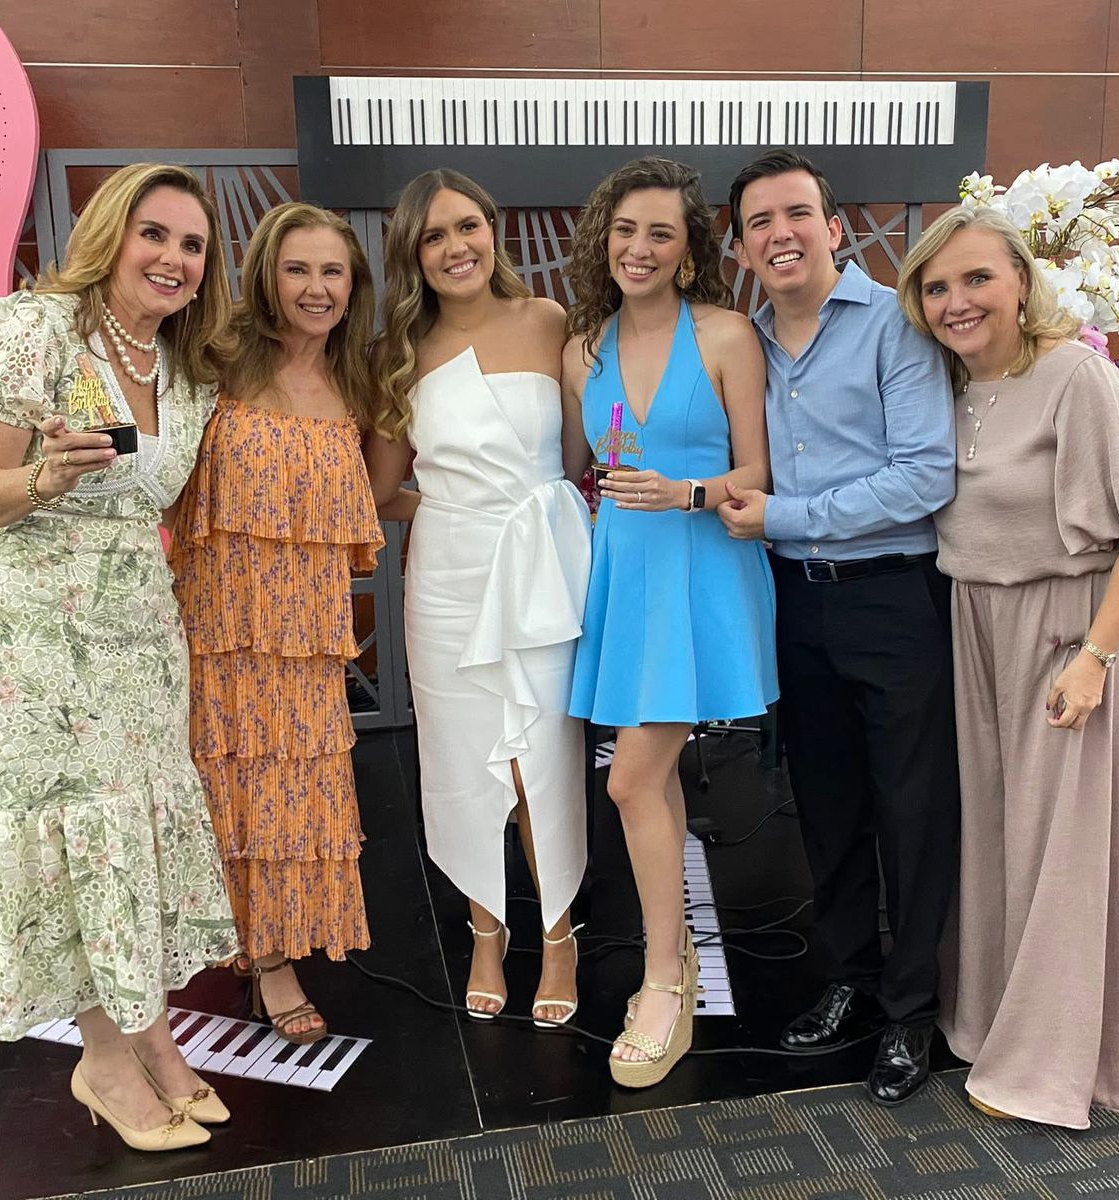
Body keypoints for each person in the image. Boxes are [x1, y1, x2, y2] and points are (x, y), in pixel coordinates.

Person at [0, 163, 239, 1151]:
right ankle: (103, 1059)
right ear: (111, 233)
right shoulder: (31, 332)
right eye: (155, 233)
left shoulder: (183, 368)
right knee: (84, 828)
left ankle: (153, 1039)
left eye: (192, 245)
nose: (173, 258)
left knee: (137, 824)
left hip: (140, 630)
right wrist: (44, 477)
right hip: (36, 629)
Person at [896, 203, 1119, 1128]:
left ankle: (1050, 1063)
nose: (957, 301)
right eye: (937, 287)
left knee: (1062, 844)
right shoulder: (950, 387)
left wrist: (1097, 658)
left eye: (977, 278)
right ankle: (991, 1022)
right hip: (978, 623)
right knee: (996, 833)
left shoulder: (1079, 378)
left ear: (1023, 282)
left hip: (1070, 627)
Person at [718, 149, 958, 1106]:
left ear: (834, 228)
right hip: (795, 602)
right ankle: (852, 980)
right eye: (759, 223)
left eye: (796, 214)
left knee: (912, 810)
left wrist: (785, 515)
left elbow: (924, 475)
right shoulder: (744, 342)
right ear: (742, 248)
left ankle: (912, 1010)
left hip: (891, 597)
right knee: (826, 804)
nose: (780, 234)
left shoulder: (895, 324)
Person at [566, 157, 777, 1088]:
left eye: (660, 232)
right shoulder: (583, 348)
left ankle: (664, 979)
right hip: (625, 579)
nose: (639, 247)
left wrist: (687, 490)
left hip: (702, 574)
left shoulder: (726, 334)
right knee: (646, 783)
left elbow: (761, 476)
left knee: (630, 781)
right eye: (625, 230)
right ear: (603, 240)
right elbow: (571, 468)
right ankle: (672, 963)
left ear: (689, 251)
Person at [367, 170, 592, 1028]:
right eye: (433, 236)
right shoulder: (399, 350)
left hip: (542, 574)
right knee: (463, 761)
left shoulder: (549, 321)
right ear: (412, 255)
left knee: (544, 759)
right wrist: (456, 509)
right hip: (451, 579)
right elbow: (381, 491)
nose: (455, 247)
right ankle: (486, 933)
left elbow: (576, 458)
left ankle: (561, 935)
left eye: (467, 226)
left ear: (492, 229)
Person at [170, 203, 385, 1045]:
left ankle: (277, 942)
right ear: (265, 275)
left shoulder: (359, 382)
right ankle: (266, 961)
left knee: (297, 801)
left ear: (353, 285)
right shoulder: (210, 362)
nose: (316, 288)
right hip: (216, 626)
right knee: (227, 794)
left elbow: (380, 495)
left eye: (333, 271)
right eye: (298, 269)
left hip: (308, 638)